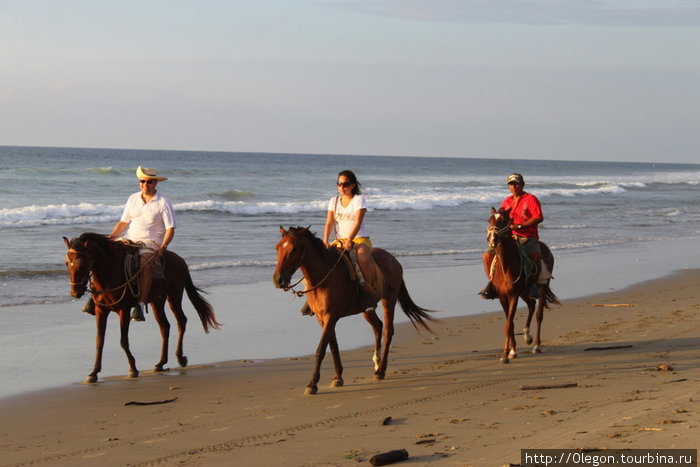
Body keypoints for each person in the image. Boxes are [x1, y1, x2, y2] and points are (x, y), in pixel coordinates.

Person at [81, 166, 176, 321]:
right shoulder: (133, 198)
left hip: (150, 242)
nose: (146, 184)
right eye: (143, 181)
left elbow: (170, 229)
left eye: (150, 182)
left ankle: (140, 304)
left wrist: (163, 247)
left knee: (144, 265)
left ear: (155, 183)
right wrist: (110, 239)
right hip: (129, 238)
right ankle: (94, 298)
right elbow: (123, 222)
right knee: (103, 256)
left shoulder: (163, 202)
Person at [300, 170, 377, 315]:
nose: (342, 187)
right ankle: (311, 296)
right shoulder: (334, 201)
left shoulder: (358, 200)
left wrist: (349, 240)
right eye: (339, 184)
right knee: (320, 261)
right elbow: (329, 223)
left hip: (359, 239)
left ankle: (367, 293)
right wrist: (325, 241)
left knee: (362, 258)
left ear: (353, 185)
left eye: (345, 184)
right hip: (339, 241)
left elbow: (358, 223)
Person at [479, 173, 544, 300]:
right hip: (508, 237)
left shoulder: (531, 199)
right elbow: (501, 218)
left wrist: (520, 226)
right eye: (511, 184)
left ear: (522, 185)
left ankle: (532, 284)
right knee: (487, 255)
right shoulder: (506, 201)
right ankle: (492, 284)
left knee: (534, 255)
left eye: (516, 184)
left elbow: (538, 217)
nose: (513, 186)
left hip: (527, 236)